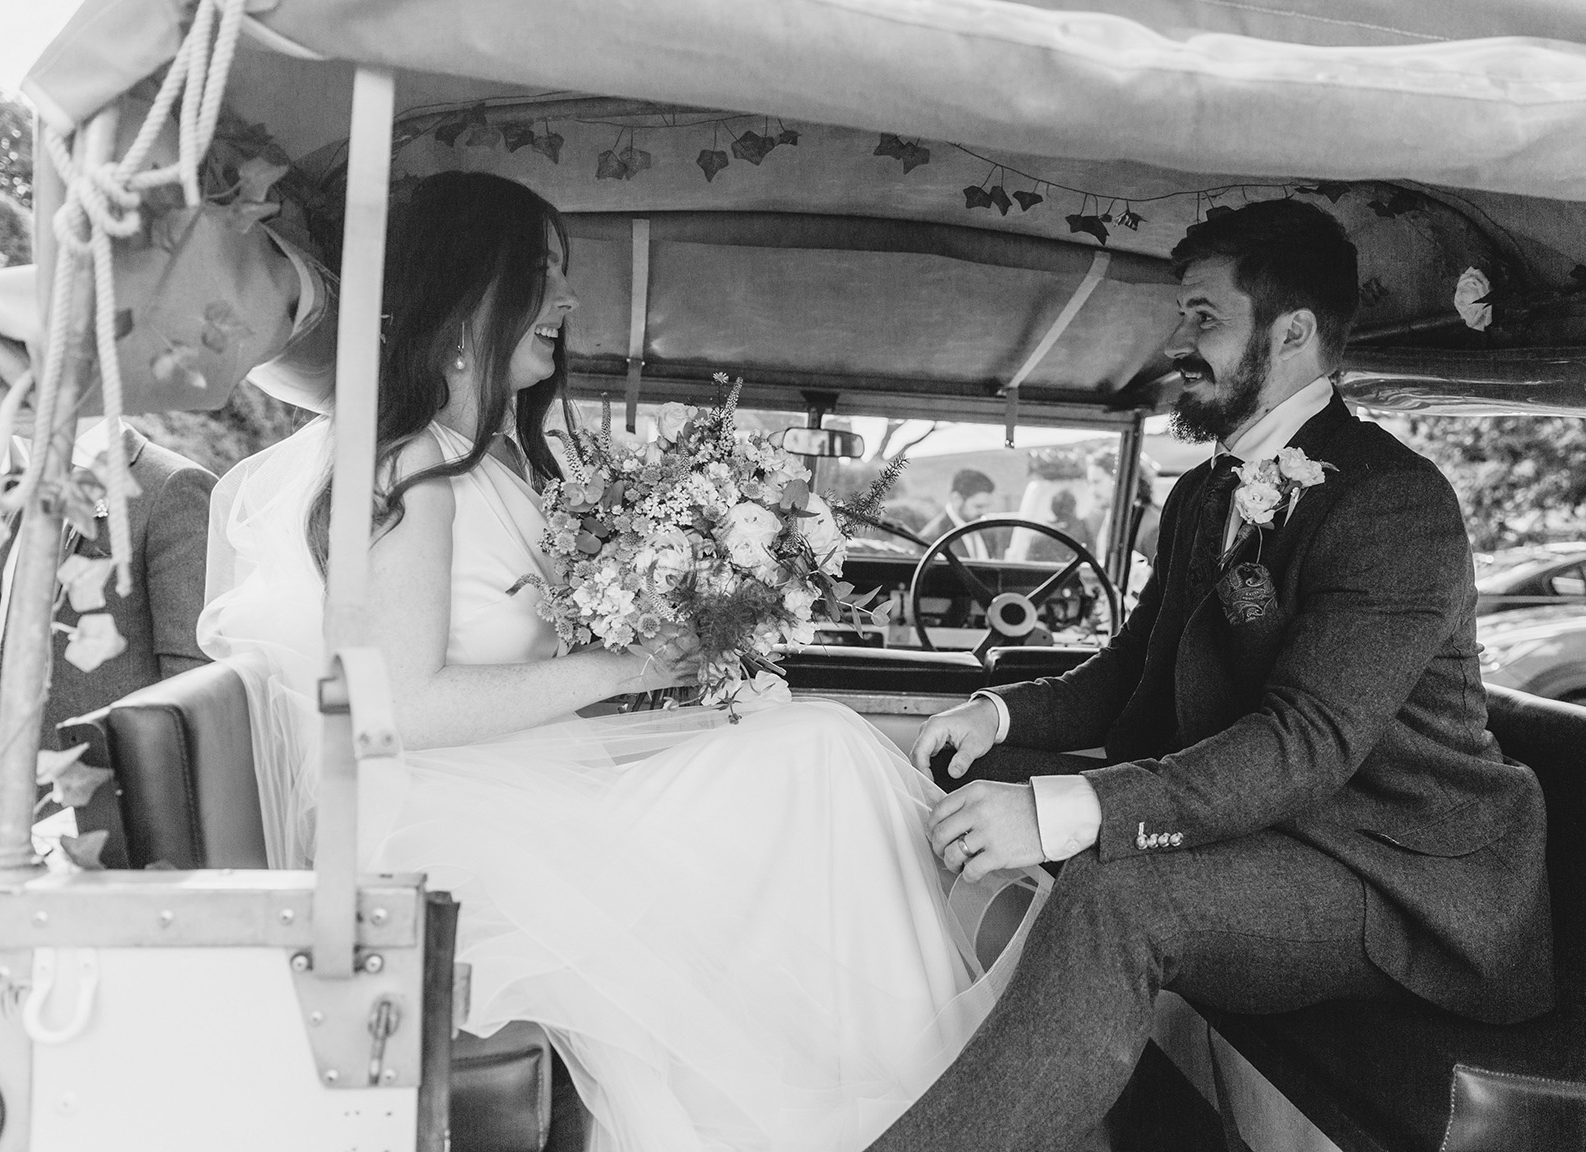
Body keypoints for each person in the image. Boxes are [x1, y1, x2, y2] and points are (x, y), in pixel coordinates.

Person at [198, 172, 1046, 1151]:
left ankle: (924, 1093)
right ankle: (937, 1107)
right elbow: (405, 711)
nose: (564, 304)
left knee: (814, 746)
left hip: (519, 779)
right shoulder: (408, 469)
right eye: (541, 276)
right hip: (445, 824)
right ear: (470, 291)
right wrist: (629, 666)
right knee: (816, 754)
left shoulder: (501, 465)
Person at [870, 201, 1551, 1150]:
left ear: (1296, 332)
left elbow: (1304, 742)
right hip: (1276, 823)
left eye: (1204, 319)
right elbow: (1131, 668)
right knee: (943, 797)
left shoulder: (1394, 503)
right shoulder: (1203, 493)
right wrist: (997, 716)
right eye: (1182, 317)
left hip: (1392, 870)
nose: (1179, 343)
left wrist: (1070, 809)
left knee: (1120, 896)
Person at [0, 413, 216, 868]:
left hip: (104, 834)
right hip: (0, 826)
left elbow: (188, 696)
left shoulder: (172, 487)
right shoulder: (29, 499)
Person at [919, 467, 996, 558]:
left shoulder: (985, 530)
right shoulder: (932, 538)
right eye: (978, 506)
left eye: (987, 506)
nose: (984, 512)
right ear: (956, 499)